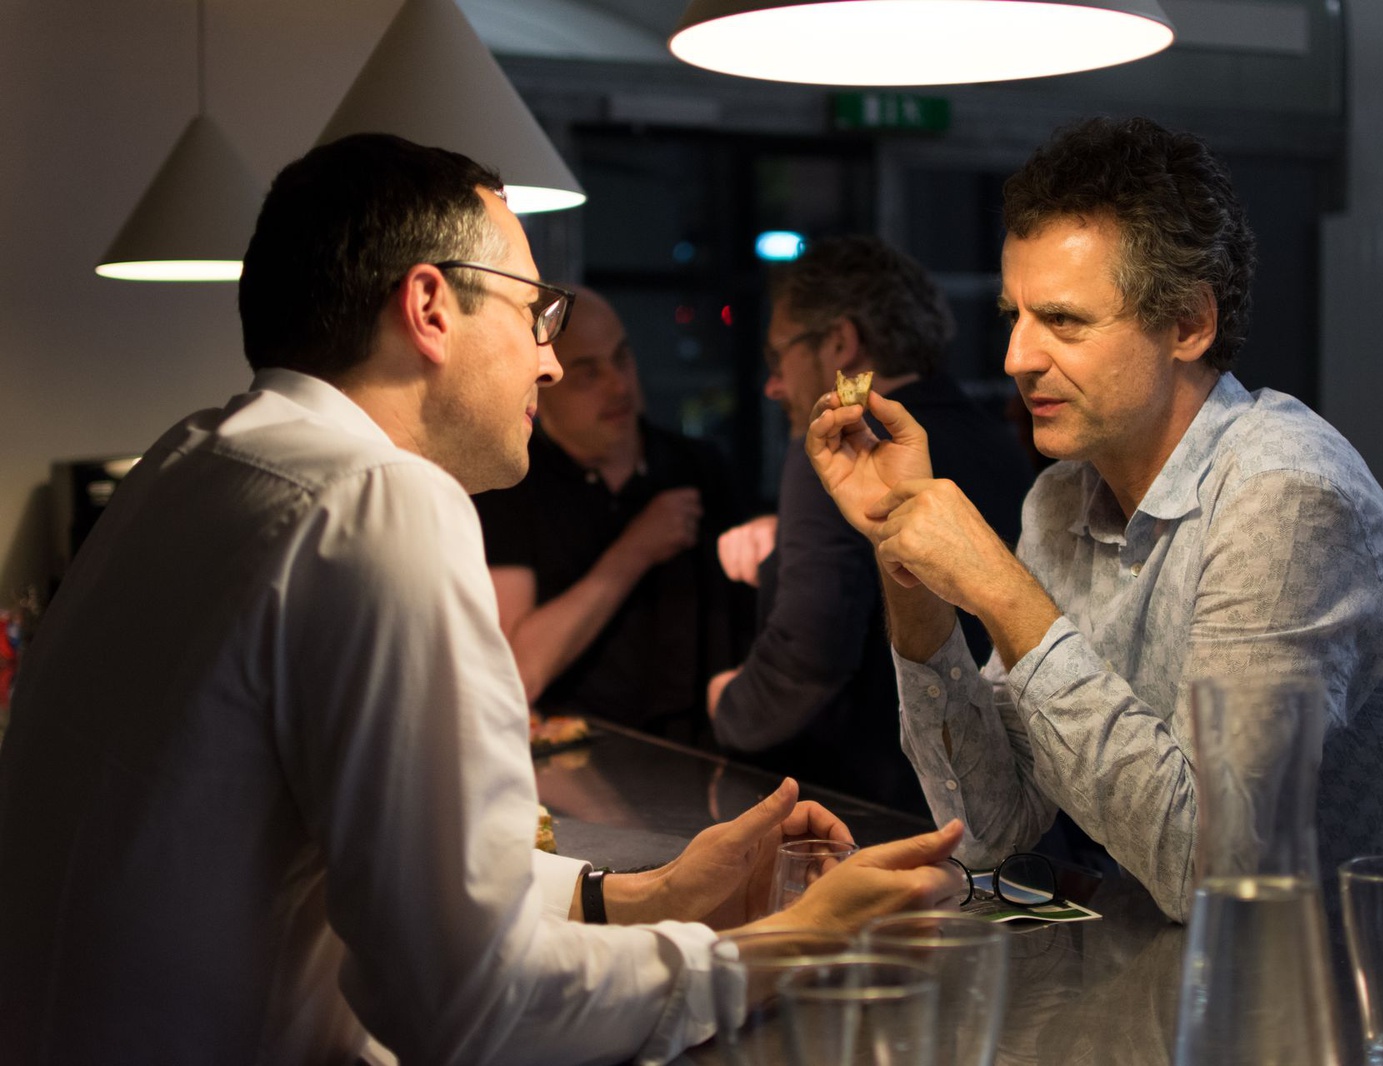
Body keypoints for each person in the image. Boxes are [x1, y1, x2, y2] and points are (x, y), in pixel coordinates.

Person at [0, 134, 964, 1065]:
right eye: (535, 312)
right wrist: (794, 943)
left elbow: (404, 885)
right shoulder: (376, 499)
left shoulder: (190, 459)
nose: (551, 360)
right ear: (429, 307)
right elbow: (471, 1008)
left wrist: (652, 893)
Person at [804, 117, 1383, 923]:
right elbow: (989, 826)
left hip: (1370, 988)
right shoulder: (1060, 500)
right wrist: (899, 540)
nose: (1016, 358)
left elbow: (1214, 873)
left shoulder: (1284, 499)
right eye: (1014, 316)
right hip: (1210, 978)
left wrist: (1004, 592)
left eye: (1064, 321)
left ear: (1188, 324)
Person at [708, 236, 1034, 814]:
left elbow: (810, 652)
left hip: (877, 805)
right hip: (1002, 799)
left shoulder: (842, 445)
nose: (773, 385)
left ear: (840, 341)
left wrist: (727, 704)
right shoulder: (999, 440)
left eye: (779, 357)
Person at [473, 285, 738, 745]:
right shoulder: (511, 486)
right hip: (576, 755)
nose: (618, 385)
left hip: (702, 751)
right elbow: (517, 676)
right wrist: (635, 550)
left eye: (622, 359)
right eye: (588, 374)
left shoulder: (698, 467)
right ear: (543, 384)